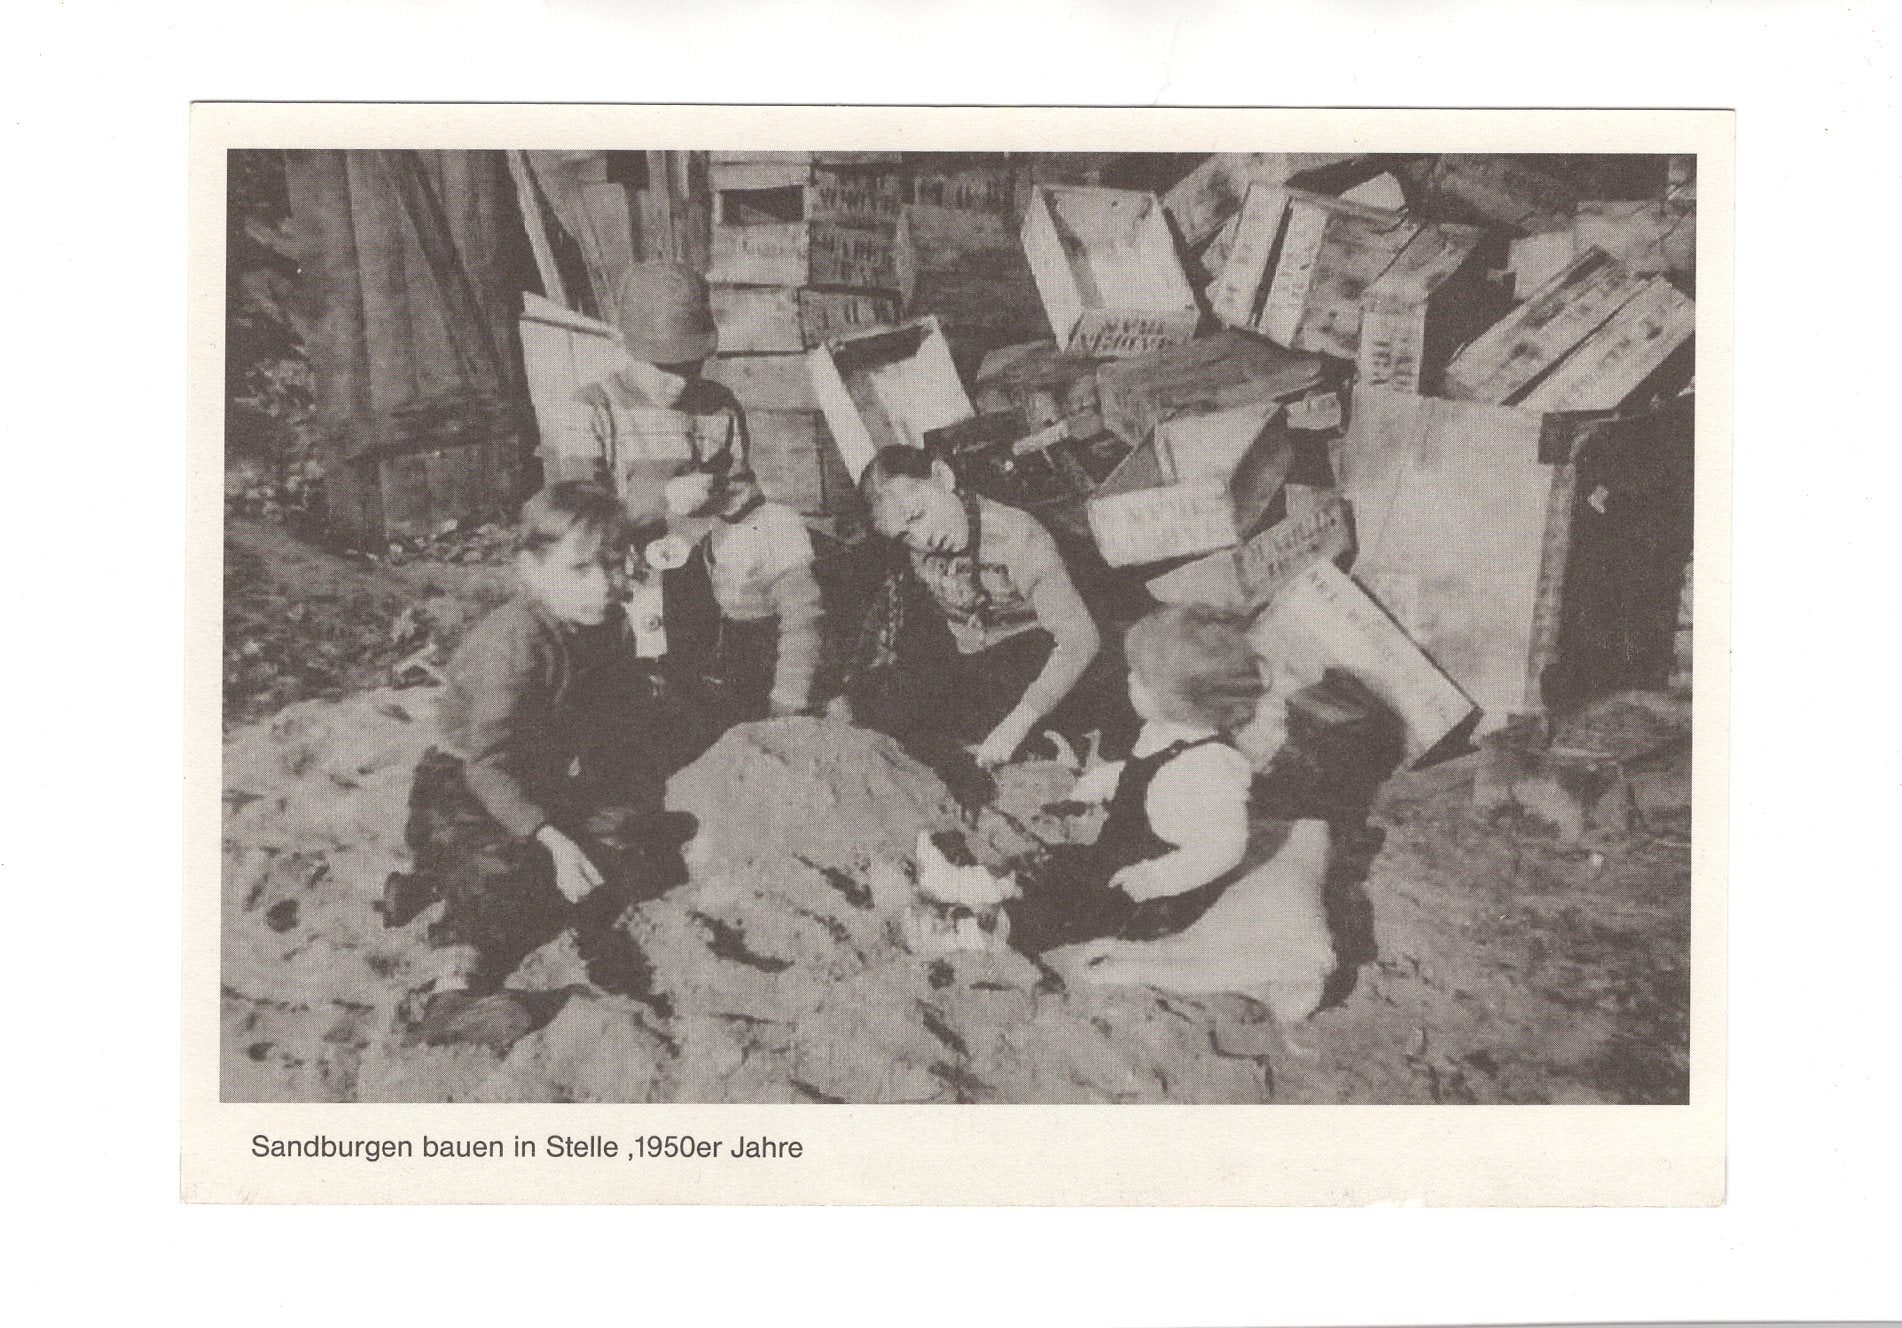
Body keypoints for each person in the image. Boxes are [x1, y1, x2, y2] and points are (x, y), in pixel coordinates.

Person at [381, 483, 706, 1035]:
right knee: (503, 868)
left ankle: (427, 885)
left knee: (616, 840)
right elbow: (487, 763)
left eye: (612, 564)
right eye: (579, 569)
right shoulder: (516, 643)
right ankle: (454, 992)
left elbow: (609, 709)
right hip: (465, 782)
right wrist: (552, 837)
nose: (603, 584)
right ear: (532, 570)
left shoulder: (604, 623)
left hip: (539, 773)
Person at [1003, 604, 1270, 956]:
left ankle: (1001, 930)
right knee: (1056, 868)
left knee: (1070, 913)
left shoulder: (1208, 770)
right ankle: (1007, 895)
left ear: (1177, 702)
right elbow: (1140, 772)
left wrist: (1155, 879)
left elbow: (1224, 848)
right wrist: (1103, 781)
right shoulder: (1164, 730)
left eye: (1140, 678)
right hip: (1123, 849)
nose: (1128, 679)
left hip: (1158, 891)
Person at [846, 446, 1121, 774]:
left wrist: (1016, 724)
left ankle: (1050, 737)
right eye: (905, 535)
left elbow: (1080, 641)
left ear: (943, 477)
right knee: (885, 696)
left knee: (1057, 666)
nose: (923, 538)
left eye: (918, 516)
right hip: (980, 665)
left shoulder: (1017, 537)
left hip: (1038, 659)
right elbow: (890, 618)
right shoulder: (920, 549)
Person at [643, 455, 825, 724]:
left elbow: (802, 618)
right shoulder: (720, 524)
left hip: (774, 654)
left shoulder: (777, 524)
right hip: (735, 651)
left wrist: (790, 693)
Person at [559, 261, 744, 511]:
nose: (681, 382)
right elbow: (579, 516)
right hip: (620, 536)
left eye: (692, 366)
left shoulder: (719, 407)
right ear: (624, 345)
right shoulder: (592, 409)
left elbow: (741, 494)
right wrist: (664, 498)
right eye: (666, 367)